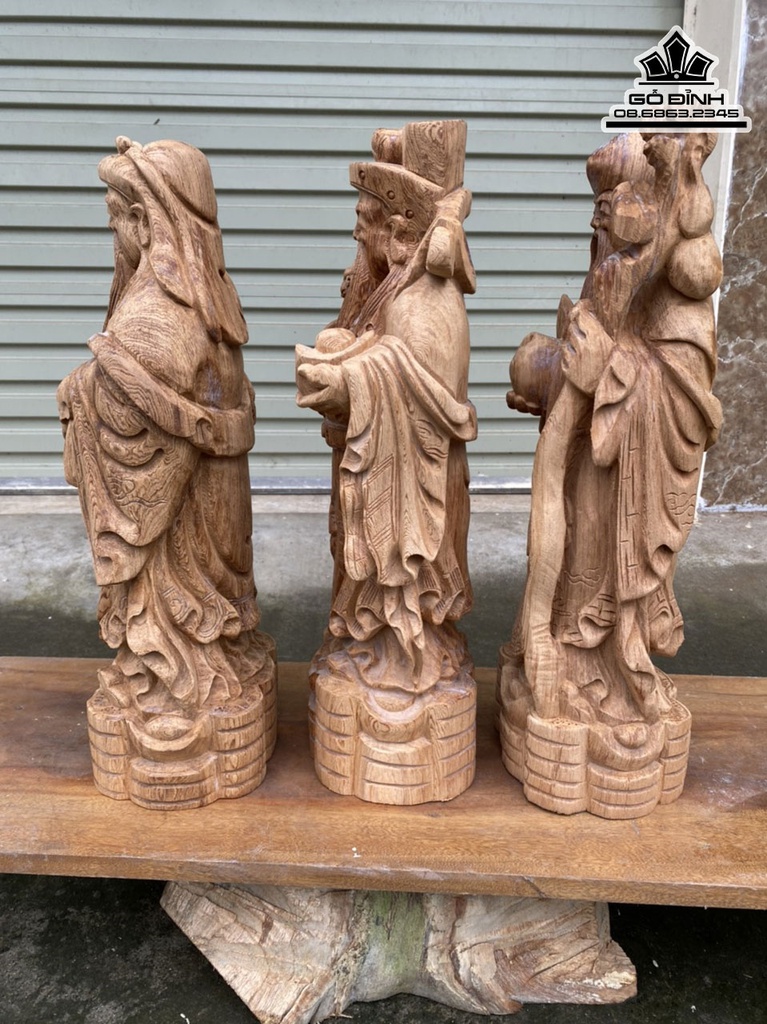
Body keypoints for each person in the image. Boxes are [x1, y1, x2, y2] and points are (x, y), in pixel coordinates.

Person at [500, 132, 722, 817]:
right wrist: (555, 378)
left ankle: (615, 670)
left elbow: (688, 404)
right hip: (587, 466)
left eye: (620, 204)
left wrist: (611, 372)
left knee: (604, 558)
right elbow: (584, 356)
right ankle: (561, 658)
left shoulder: (681, 307)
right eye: (599, 209)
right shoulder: (609, 272)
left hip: (633, 468)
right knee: (576, 552)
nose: (603, 222)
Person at [57, 138, 275, 807]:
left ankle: (175, 675)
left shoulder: (155, 314)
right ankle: (198, 664)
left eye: (117, 220)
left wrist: (84, 390)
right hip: (212, 493)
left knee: (175, 615)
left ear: (145, 222)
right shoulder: (209, 302)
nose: (114, 236)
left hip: (181, 513)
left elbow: (138, 419)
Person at [295, 121, 478, 803]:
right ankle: (374, 642)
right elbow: (380, 348)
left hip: (412, 482)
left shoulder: (427, 303)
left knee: (404, 577)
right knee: (361, 571)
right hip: (378, 463)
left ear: (399, 230)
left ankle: (406, 653)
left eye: (365, 218)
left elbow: (418, 387)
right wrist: (349, 352)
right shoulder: (396, 285)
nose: (356, 228)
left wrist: (349, 377)